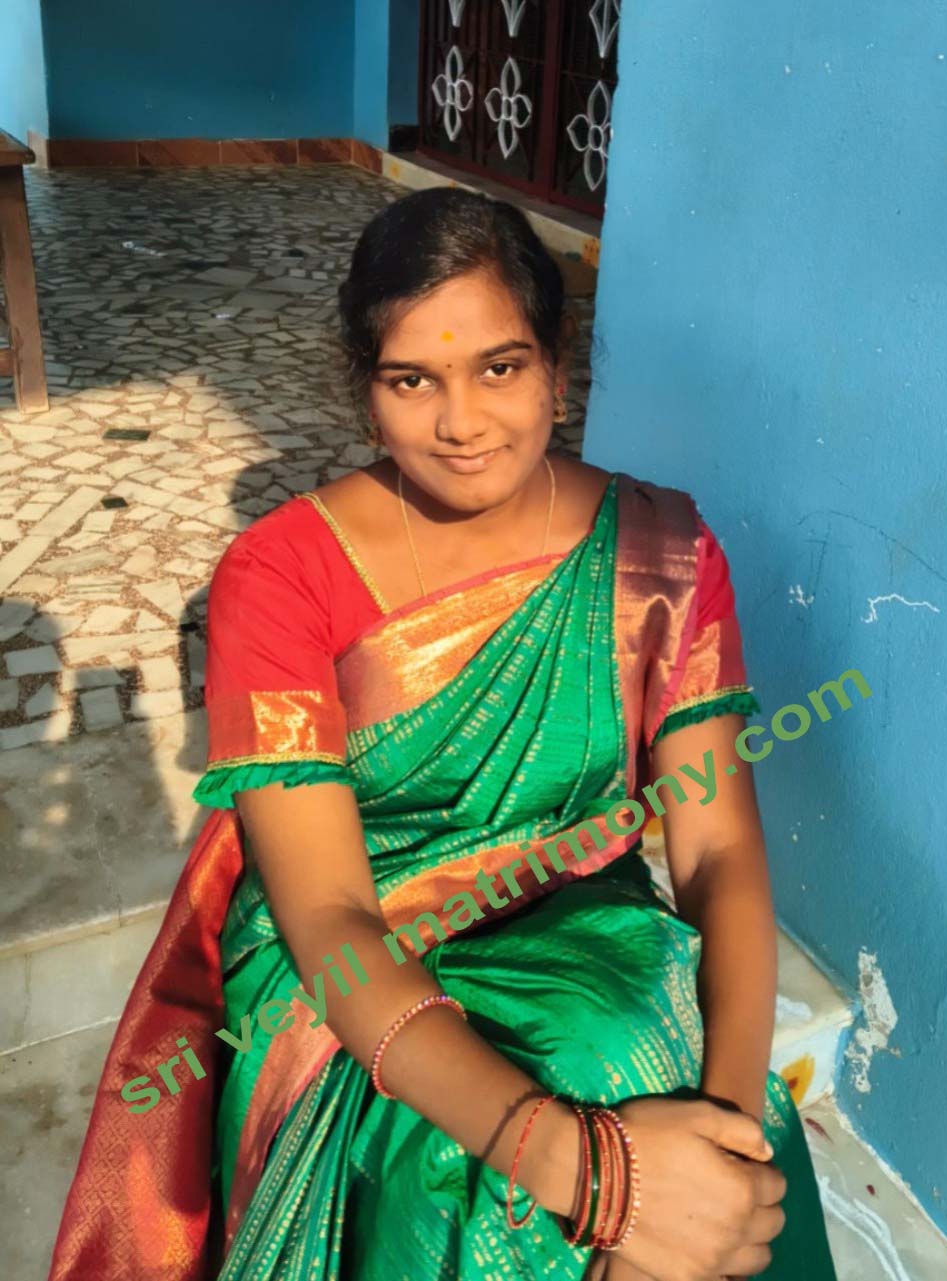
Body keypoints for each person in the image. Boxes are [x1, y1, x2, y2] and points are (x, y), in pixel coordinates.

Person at [48, 186, 837, 1281]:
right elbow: (330, 918)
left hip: (578, 922)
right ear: (365, 392)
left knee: (636, 1039)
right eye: (412, 379)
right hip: (349, 968)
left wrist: (722, 1148)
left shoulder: (658, 553)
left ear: (558, 368)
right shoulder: (280, 576)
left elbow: (717, 852)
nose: (461, 423)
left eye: (499, 368)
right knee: (461, 1184)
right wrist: (593, 1177)